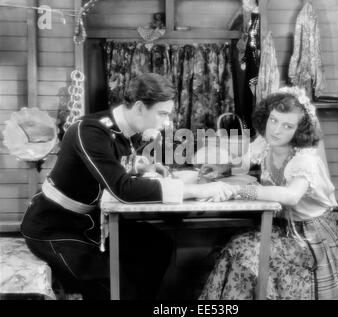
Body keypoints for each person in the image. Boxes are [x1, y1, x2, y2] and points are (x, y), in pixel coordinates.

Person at [21, 73, 236, 300]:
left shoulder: (124, 130)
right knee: (115, 288)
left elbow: (110, 164)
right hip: (55, 228)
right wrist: (200, 190)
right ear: (141, 107)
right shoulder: (90, 131)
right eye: (162, 114)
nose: (165, 122)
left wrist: (137, 166)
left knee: (157, 245)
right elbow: (123, 189)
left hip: (90, 224)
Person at [199, 86, 338, 300]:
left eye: (287, 126)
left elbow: (290, 196)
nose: (276, 130)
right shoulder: (265, 142)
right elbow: (245, 163)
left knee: (244, 253)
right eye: (273, 120)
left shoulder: (305, 159)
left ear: (299, 131)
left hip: (311, 238)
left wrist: (240, 191)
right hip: (283, 227)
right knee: (235, 249)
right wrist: (223, 168)